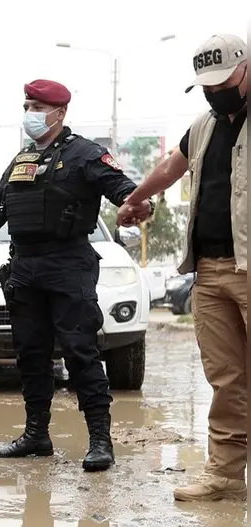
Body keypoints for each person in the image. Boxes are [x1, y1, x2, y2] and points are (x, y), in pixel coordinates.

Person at [0, 80, 136, 473]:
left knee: (81, 352)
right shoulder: (22, 159)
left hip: (68, 263)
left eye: (37, 106)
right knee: (30, 353)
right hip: (24, 267)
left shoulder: (86, 154)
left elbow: (123, 189)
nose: (30, 112)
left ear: (59, 113)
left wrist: (135, 203)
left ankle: (100, 440)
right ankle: (36, 435)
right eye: (27, 104)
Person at [118, 34, 246, 502]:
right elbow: (172, 168)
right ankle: (226, 477)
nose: (216, 91)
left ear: (246, 68)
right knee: (226, 378)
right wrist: (136, 198)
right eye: (207, 85)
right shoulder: (204, 126)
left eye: (224, 81)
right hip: (210, 270)